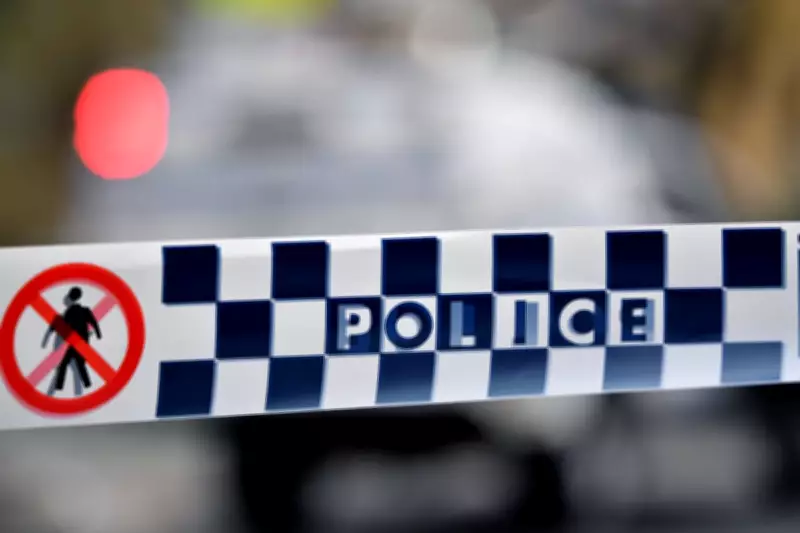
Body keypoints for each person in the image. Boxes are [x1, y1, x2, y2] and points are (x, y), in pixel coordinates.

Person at [41, 287, 102, 392]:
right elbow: (94, 323)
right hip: (81, 343)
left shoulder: (69, 312)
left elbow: (60, 325)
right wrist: (98, 334)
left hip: (72, 342)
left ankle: (59, 386)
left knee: (65, 364)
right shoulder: (85, 311)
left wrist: (49, 337)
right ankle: (87, 384)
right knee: (79, 365)